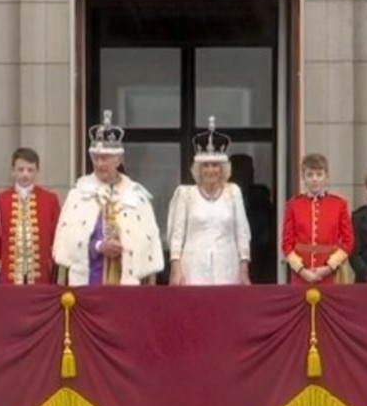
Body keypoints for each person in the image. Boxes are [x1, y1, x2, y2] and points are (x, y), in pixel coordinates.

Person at [53, 111, 164, 286]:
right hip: (89, 283)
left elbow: (147, 244)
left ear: (118, 160)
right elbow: (67, 243)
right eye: (96, 158)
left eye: (104, 159)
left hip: (126, 287)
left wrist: (126, 247)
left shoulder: (136, 195)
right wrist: (98, 247)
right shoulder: (78, 194)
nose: (99, 164)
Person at [166, 118, 251, 286]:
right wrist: (176, 270)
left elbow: (242, 232)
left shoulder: (233, 192)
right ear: (198, 169)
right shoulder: (185, 194)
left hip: (227, 267)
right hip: (193, 268)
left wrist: (244, 269)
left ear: (223, 168)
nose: (210, 170)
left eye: (215, 165)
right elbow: (176, 235)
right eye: (206, 165)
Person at [0, 148, 60, 285]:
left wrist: (57, 276)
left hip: (42, 277)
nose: (25, 175)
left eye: (30, 170)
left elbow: (58, 239)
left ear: (37, 171)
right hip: (9, 277)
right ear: (12, 171)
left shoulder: (50, 200)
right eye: (20, 170)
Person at [281, 153, 354, 285]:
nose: (315, 179)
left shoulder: (339, 204)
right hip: (301, 276)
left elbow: (348, 241)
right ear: (303, 177)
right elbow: (287, 244)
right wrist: (302, 270)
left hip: (330, 275)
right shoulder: (293, 205)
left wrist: (329, 267)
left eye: (319, 174)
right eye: (310, 175)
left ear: (326, 176)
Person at [230, 153, 277, 283]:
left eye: (248, 170)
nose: (244, 175)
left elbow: (269, 225)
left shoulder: (260, 196)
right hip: (229, 255)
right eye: (239, 170)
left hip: (260, 256)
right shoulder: (222, 197)